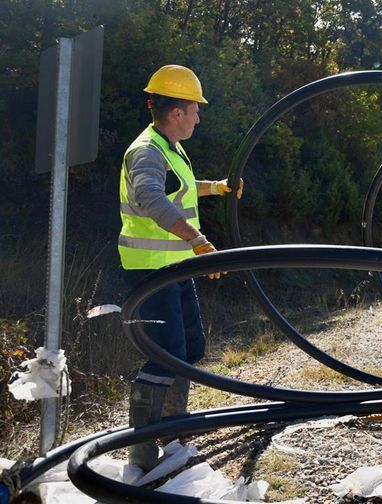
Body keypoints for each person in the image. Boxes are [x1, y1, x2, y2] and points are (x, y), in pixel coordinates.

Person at [118, 64, 242, 470]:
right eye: (195, 109)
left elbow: (181, 189)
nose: (198, 116)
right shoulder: (146, 151)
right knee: (166, 353)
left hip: (174, 268)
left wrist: (218, 187)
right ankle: (144, 448)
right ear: (177, 112)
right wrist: (198, 240)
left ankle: (174, 432)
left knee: (190, 348)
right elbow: (152, 198)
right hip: (152, 270)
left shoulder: (168, 147)